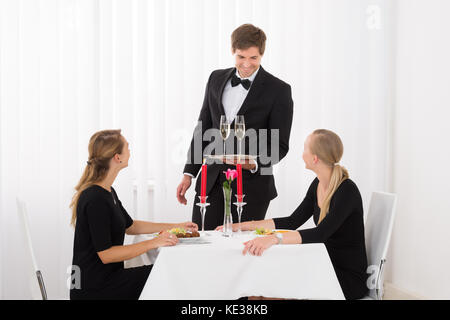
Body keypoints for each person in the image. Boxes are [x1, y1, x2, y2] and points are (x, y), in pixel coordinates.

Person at [218, 129, 369, 300]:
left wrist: (274, 239)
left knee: (267, 294)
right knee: (261, 289)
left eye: (305, 148)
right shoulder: (318, 184)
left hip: (345, 279)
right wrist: (242, 225)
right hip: (323, 265)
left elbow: (320, 233)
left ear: (315, 158)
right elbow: (292, 221)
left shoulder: (347, 190)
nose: (302, 153)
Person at [176, 24, 294, 230]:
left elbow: (280, 144)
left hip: (252, 186)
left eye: (253, 58)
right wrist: (189, 173)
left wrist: (254, 163)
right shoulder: (215, 78)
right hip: (210, 181)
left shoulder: (279, 90)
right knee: (204, 242)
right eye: (241, 57)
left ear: (262, 54)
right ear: (233, 51)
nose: (247, 64)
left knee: (242, 250)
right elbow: (202, 128)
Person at [69, 129, 198, 300]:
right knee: (166, 273)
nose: (130, 151)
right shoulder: (95, 198)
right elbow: (106, 254)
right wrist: (153, 242)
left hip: (108, 280)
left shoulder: (107, 192)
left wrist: (177, 226)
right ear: (117, 157)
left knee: (165, 271)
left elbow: (131, 226)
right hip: (96, 288)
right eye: (127, 147)